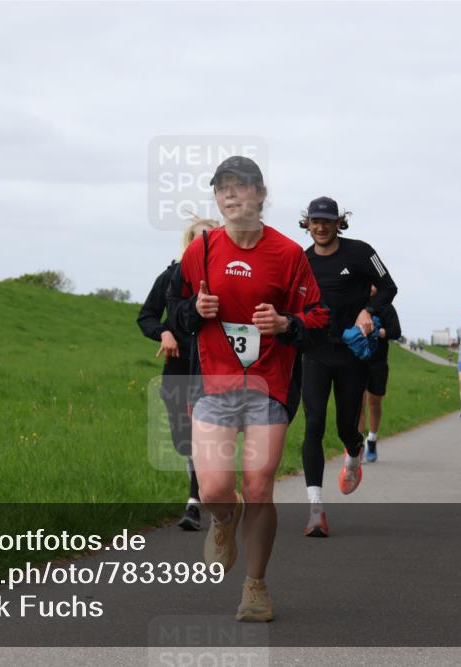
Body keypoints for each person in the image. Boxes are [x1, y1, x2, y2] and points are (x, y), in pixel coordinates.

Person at [167, 156, 328, 622]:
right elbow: (173, 310)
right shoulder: (201, 250)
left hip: (269, 386)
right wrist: (194, 311)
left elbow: (318, 321)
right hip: (214, 384)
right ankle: (222, 518)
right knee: (217, 487)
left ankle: (255, 587)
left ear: (260, 196)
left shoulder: (288, 255)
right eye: (223, 191)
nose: (232, 197)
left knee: (259, 487)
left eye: (241, 189)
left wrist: (286, 324)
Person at [298, 196, 397, 537]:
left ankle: (353, 454)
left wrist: (368, 310)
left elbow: (389, 285)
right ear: (307, 223)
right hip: (315, 352)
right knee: (313, 423)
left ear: (339, 222)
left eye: (328, 221)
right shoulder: (300, 260)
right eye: (315, 221)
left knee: (344, 428)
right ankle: (315, 510)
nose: (321, 227)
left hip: (352, 355)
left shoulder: (360, 252)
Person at [137, 217, 218, 531]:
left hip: (212, 369)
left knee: (203, 437)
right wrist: (163, 334)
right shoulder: (171, 276)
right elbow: (146, 316)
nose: (204, 246)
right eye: (199, 240)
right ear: (189, 243)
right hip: (178, 366)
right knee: (183, 440)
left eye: (211, 240)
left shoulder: (226, 280)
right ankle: (207, 492)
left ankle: (194, 503)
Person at [357, 292, 401, 463]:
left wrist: (378, 331)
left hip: (378, 363)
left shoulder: (386, 308)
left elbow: (396, 332)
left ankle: (372, 439)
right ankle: (358, 446)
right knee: (358, 405)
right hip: (358, 360)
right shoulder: (357, 303)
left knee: (374, 402)